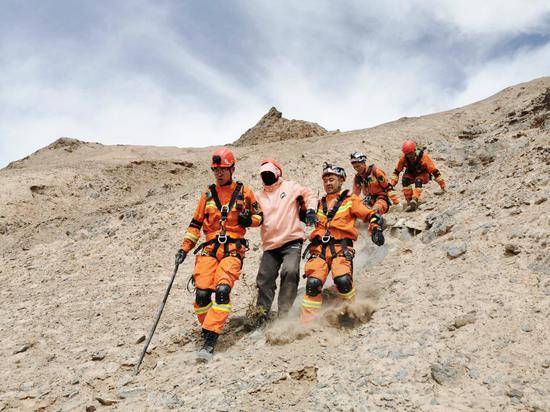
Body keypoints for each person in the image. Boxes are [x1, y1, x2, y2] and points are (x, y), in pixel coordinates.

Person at [175, 147, 263, 361]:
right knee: (202, 294)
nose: (219, 173)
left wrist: (248, 221)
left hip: (233, 249)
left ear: (232, 168)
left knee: (222, 290)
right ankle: (209, 329)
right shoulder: (207, 195)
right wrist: (184, 248)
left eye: (223, 169)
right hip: (210, 249)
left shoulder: (245, 192)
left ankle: (210, 340)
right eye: (216, 170)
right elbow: (195, 224)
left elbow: (260, 216)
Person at [301, 162, 384, 324]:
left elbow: (370, 215)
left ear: (341, 181)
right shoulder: (317, 203)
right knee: (313, 283)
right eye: (325, 180)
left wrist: (376, 229)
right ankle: (306, 324)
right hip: (319, 250)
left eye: (332, 179)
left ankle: (353, 312)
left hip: (341, 248)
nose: (328, 183)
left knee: (343, 280)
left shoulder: (350, 201)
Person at [254, 158, 318, 323]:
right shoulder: (259, 196)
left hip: (291, 240)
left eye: (269, 173)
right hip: (270, 245)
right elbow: (254, 214)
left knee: (290, 272)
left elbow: (309, 194)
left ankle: (284, 314)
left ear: (277, 173)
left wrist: (311, 210)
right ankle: (261, 315)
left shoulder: (290, 187)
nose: (266, 176)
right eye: (264, 174)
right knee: (264, 279)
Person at [390, 140, 446, 212]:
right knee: (405, 180)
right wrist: (391, 184)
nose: (409, 156)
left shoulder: (423, 157)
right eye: (407, 154)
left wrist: (442, 186)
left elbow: (435, 171)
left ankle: (415, 199)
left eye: (410, 153)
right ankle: (409, 201)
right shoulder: (403, 158)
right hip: (411, 174)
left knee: (418, 180)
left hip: (424, 175)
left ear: (414, 150)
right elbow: (396, 172)